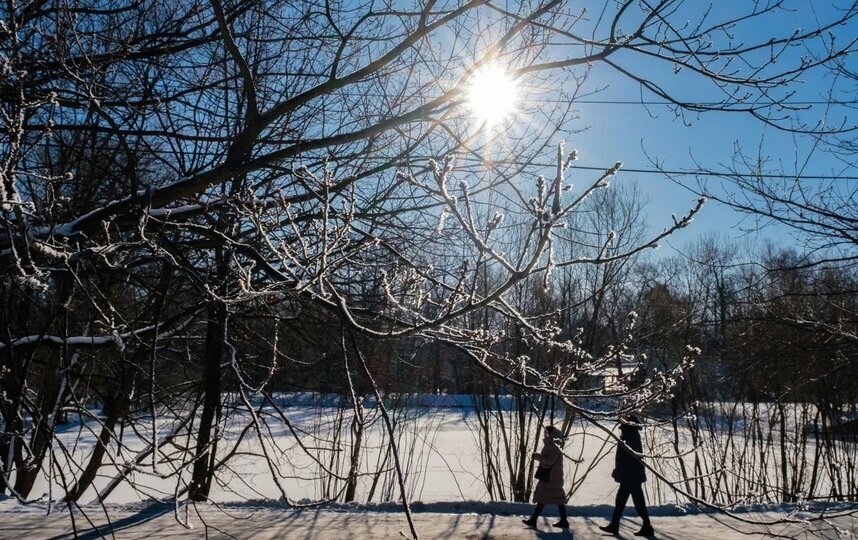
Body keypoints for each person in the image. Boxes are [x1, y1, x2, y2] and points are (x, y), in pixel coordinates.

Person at [600, 415, 653, 537]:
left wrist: (619, 471)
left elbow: (627, 458)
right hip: (631, 475)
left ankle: (617, 525)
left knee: (630, 502)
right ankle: (617, 525)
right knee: (627, 501)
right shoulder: (630, 435)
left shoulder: (630, 436)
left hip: (631, 475)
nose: (621, 427)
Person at [522, 425, 568, 529]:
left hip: (551, 478)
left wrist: (537, 456)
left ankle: (534, 520)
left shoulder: (551, 447)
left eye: (545, 433)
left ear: (549, 434)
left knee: (548, 498)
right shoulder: (550, 446)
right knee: (553, 499)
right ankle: (534, 520)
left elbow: (549, 462)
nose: (544, 434)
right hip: (552, 477)